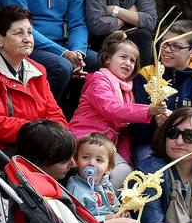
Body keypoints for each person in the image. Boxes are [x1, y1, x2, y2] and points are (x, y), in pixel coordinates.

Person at [0, 5, 67, 164]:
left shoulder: (38, 70)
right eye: (18, 33)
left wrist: (58, 135)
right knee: (50, 164)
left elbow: (54, 114)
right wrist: (41, 134)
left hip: (31, 145)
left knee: (76, 157)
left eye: (29, 32)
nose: (27, 38)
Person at [69, 30, 167, 176]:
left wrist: (126, 160)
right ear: (108, 59)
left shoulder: (128, 89)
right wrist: (148, 111)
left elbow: (124, 133)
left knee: (125, 172)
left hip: (105, 147)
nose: (128, 63)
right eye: (123, 57)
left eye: (132, 60)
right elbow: (111, 109)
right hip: (84, 139)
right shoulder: (99, 80)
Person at [64, 133, 151, 223]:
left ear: (109, 167)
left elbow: (114, 206)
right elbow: (78, 219)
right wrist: (106, 218)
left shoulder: (106, 186)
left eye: (99, 160)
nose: (91, 163)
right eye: (85, 157)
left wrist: (122, 212)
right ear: (76, 161)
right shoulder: (75, 187)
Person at [130, 18, 192, 158]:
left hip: (187, 145)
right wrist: (153, 121)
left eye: (176, 46)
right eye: (164, 43)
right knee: (148, 164)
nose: (166, 50)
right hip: (150, 143)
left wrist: (174, 121)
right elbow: (135, 125)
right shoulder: (146, 74)